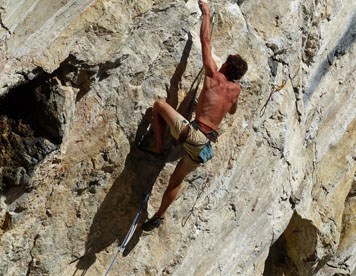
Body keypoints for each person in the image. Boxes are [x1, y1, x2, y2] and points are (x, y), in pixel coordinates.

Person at [141, 0, 248, 231]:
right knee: (175, 181)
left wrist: (206, 11)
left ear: (226, 65)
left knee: (159, 105)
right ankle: (159, 215)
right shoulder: (235, 90)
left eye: (225, 63)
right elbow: (232, 109)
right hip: (205, 147)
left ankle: (158, 148)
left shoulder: (213, 75)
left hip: (194, 134)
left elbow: (205, 41)